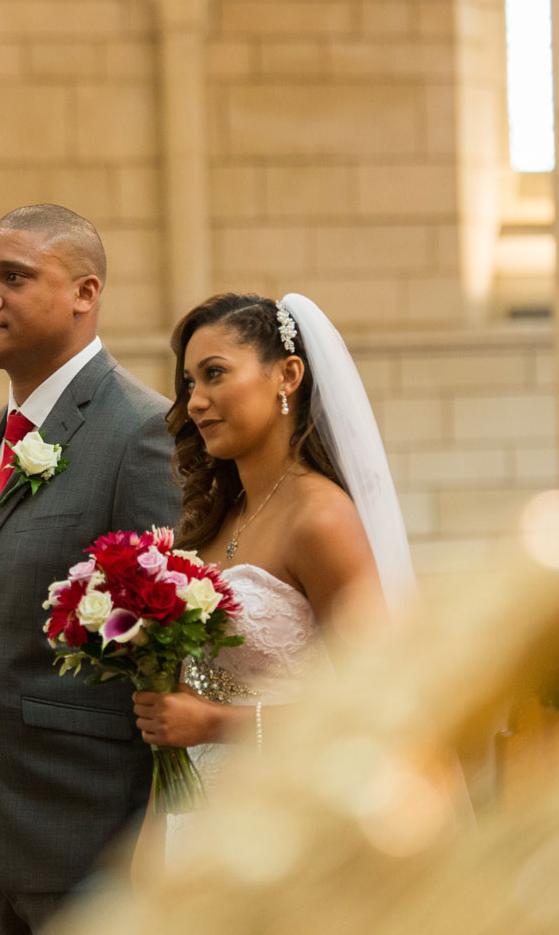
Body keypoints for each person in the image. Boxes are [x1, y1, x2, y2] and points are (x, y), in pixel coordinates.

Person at [0, 204, 181, 934]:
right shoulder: (0, 433)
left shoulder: (140, 431)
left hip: (85, 842)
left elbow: (170, 649)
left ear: (86, 293)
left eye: (13, 277)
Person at [131, 293, 414, 839]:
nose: (195, 401)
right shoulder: (216, 519)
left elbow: (384, 701)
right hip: (199, 824)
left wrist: (219, 725)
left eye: (215, 374)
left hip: (290, 827)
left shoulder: (321, 519)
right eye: (189, 383)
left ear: (287, 375)